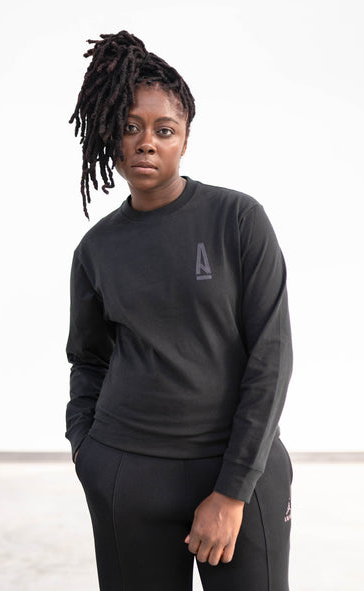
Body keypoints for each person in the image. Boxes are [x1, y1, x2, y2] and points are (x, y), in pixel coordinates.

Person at [65, 30, 293, 591]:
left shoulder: (237, 219)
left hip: (238, 472)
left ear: (185, 139)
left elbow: (271, 358)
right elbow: (88, 360)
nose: (146, 143)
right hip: (127, 473)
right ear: (109, 135)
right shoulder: (96, 249)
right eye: (130, 127)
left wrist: (232, 491)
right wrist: (88, 453)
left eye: (164, 130)